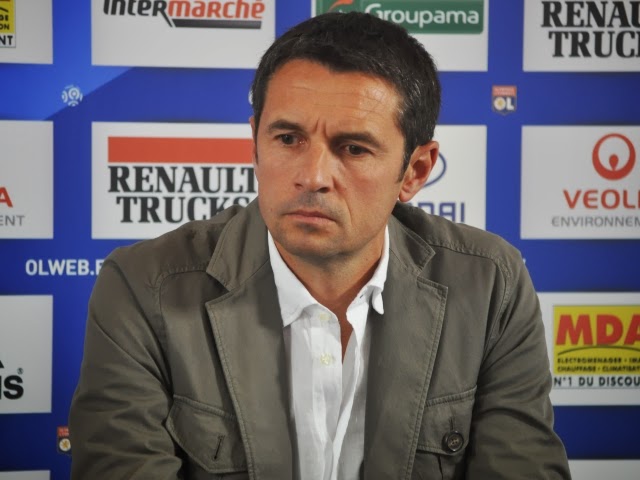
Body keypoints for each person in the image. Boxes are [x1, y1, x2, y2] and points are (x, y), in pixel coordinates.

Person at [69, 11, 571, 480]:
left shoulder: (490, 285)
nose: (312, 176)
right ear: (255, 143)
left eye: (353, 148)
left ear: (415, 171)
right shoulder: (143, 288)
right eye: (288, 139)